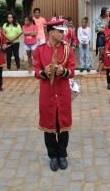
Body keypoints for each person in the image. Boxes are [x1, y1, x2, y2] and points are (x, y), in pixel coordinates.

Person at [33, 20, 75, 171]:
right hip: (47, 93)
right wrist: (46, 71)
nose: (63, 34)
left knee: (63, 125)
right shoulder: (39, 50)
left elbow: (72, 70)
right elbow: (36, 72)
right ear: (51, 32)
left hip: (63, 92)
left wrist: (62, 71)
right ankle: (52, 156)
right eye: (60, 31)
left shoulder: (67, 50)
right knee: (49, 126)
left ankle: (62, 155)